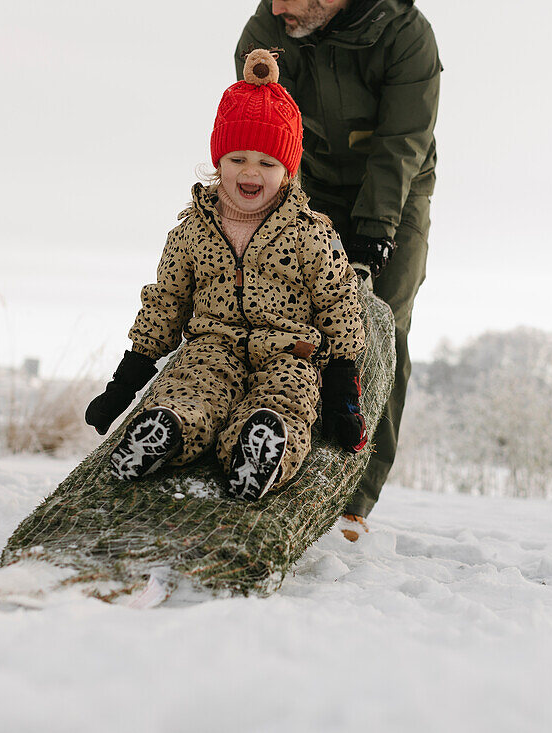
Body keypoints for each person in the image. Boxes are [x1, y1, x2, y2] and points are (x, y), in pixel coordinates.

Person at [84, 49, 367, 501]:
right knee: (194, 386)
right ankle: (165, 432)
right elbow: (165, 304)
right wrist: (125, 382)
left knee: (286, 399)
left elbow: (339, 305)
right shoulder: (192, 232)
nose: (251, 172)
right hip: (212, 344)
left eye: (267, 163)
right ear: (219, 161)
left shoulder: (309, 234)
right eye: (238, 158)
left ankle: (257, 449)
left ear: (288, 171)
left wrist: (342, 391)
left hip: (288, 349)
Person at [237, 0, 441, 536]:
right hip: (311, 181)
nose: (278, 5)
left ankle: (353, 496)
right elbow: (260, 129)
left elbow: (402, 145)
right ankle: (272, 462)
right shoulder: (270, 28)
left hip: (400, 188)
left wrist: (376, 231)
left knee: (377, 326)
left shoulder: (406, 34)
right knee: (287, 315)